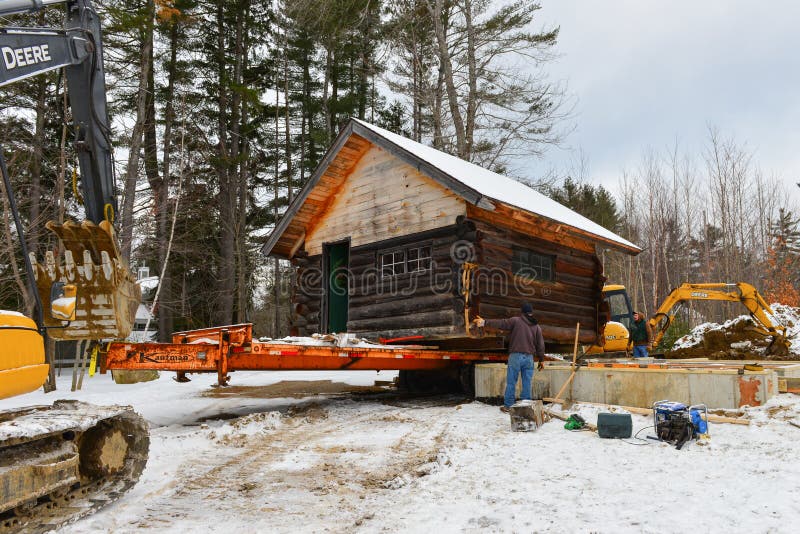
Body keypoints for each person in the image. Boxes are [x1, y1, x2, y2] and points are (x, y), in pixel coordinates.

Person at [474, 303, 545, 413]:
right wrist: (541, 360)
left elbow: (501, 323)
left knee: (512, 382)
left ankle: (508, 406)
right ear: (531, 312)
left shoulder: (516, 321)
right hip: (529, 358)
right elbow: (540, 344)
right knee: (527, 382)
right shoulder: (536, 326)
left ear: (522, 311)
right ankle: (525, 407)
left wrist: (484, 322)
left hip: (516, 356)